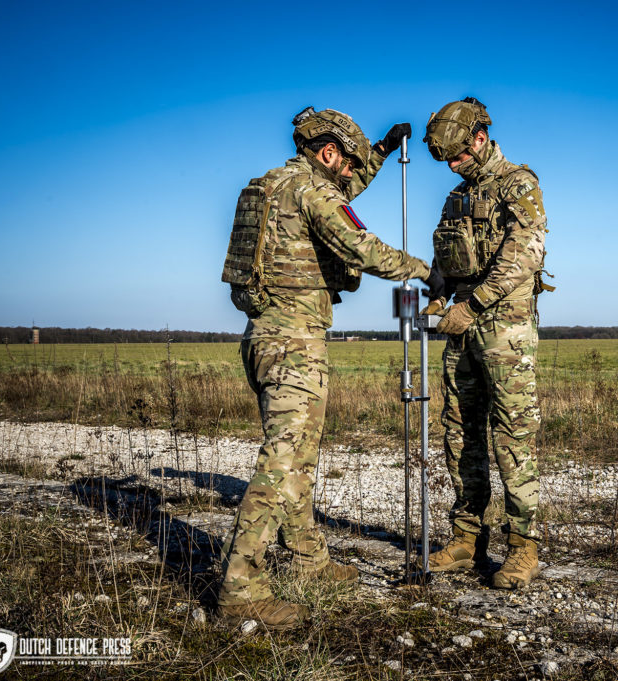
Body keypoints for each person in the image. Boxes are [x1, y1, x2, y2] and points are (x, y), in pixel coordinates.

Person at [217, 107, 443, 630]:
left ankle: (309, 561)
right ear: (327, 152)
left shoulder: (278, 185)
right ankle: (240, 591)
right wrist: (425, 271)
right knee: (282, 462)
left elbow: (343, 192)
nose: (349, 175)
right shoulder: (312, 191)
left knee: (298, 458)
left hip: (267, 337)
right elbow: (358, 245)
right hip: (294, 343)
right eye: (347, 163)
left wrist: (379, 152)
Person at [422, 97, 550, 589]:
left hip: (504, 331)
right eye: (446, 159)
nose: (452, 165)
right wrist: (437, 296)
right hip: (460, 326)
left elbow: (524, 256)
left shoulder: (519, 184)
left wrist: (471, 306)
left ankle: (523, 547)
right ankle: (466, 538)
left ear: (480, 139)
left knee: (512, 437)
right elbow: (444, 256)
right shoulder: (456, 196)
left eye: (457, 155)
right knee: (460, 432)